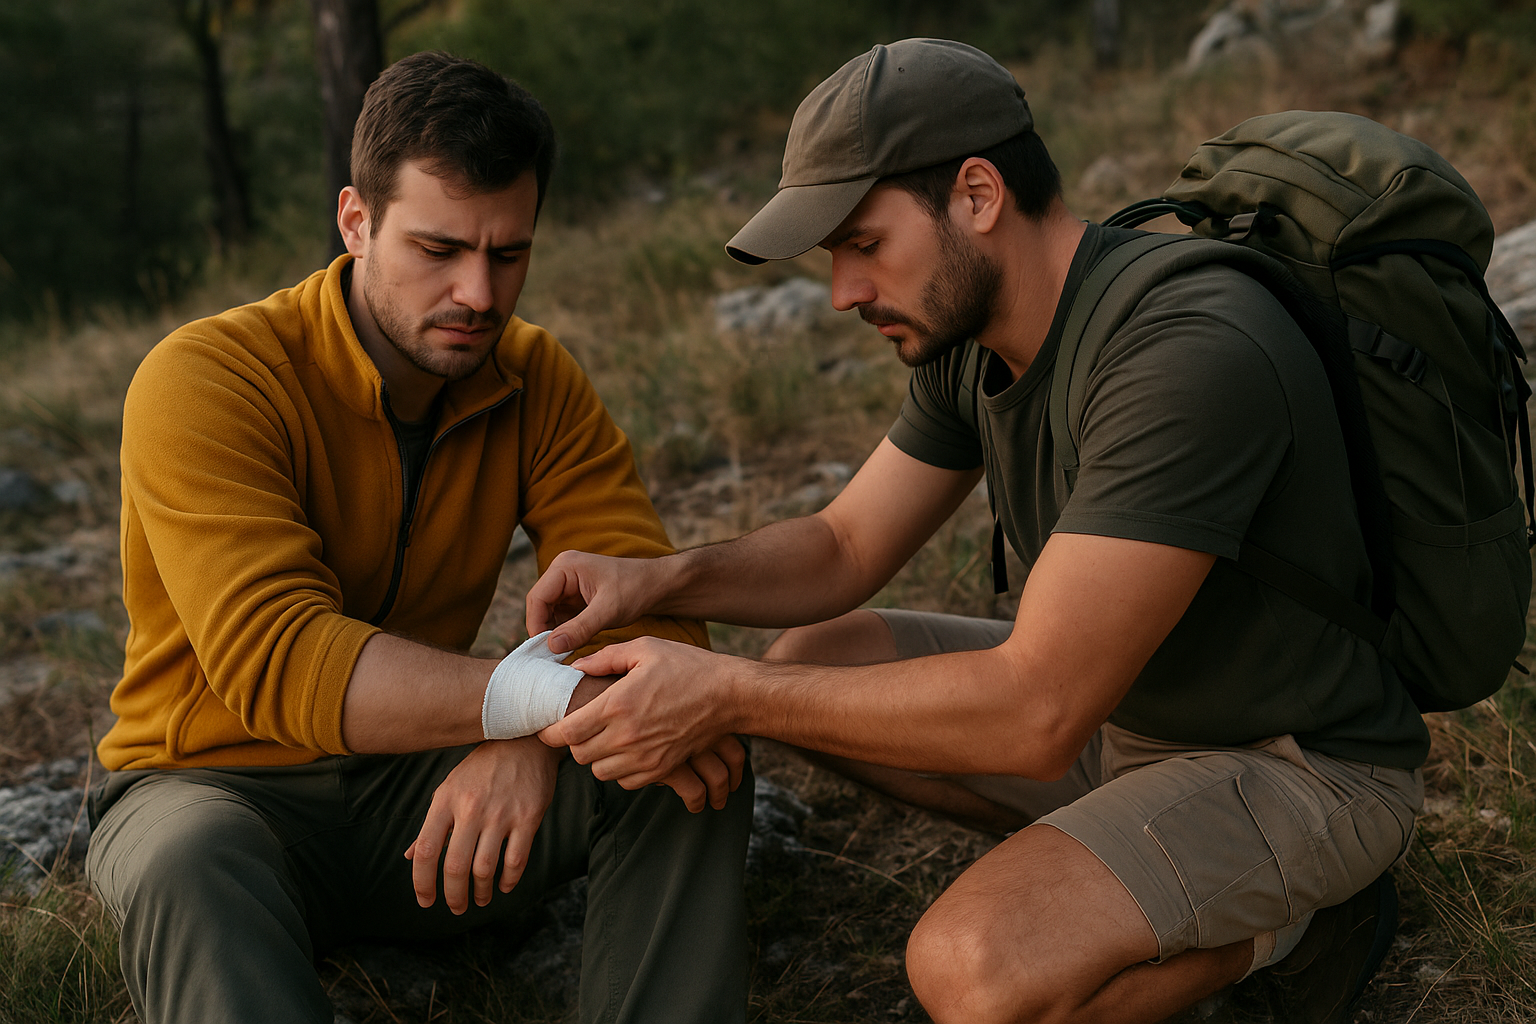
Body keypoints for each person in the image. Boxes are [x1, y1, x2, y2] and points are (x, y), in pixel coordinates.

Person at [528, 38, 1427, 1024]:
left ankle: (1297, 929)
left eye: (864, 243)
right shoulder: (977, 336)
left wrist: (727, 694)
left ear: (978, 195)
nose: (843, 291)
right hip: (1126, 722)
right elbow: (843, 546)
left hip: (1298, 763)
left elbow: (1037, 711)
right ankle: (1137, 875)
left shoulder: (1185, 348)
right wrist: (658, 581)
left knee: (971, 972)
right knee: (820, 656)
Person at [86, 50, 751, 1024]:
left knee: (686, 746)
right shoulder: (208, 378)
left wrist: (531, 738)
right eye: (439, 249)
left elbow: (652, 602)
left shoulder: (536, 378)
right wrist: (534, 706)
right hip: (216, 790)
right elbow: (282, 661)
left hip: (423, 794)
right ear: (356, 221)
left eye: (508, 254)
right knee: (189, 860)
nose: (479, 293)